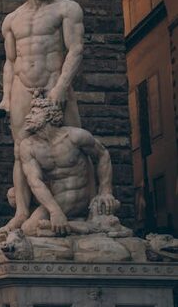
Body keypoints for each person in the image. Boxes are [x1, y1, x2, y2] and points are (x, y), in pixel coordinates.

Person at [0, 0, 85, 237]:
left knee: (75, 141)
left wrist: (60, 87)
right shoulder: (11, 20)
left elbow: (75, 50)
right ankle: (21, 212)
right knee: (20, 151)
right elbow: (10, 61)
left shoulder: (67, 9)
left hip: (54, 83)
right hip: (22, 87)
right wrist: (6, 98)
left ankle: (85, 206)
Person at [18, 97, 117, 236]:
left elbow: (103, 154)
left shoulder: (75, 136)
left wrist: (106, 191)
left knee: (32, 229)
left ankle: (70, 227)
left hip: (81, 197)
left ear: (49, 115)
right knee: (28, 229)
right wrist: (55, 211)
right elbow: (35, 182)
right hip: (57, 201)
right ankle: (83, 227)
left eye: (34, 113)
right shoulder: (28, 146)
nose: (28, 117)